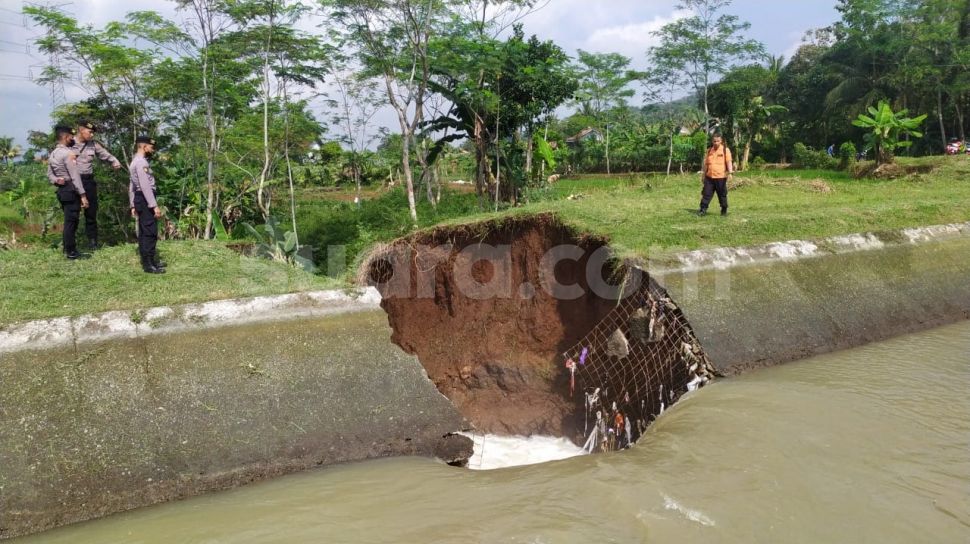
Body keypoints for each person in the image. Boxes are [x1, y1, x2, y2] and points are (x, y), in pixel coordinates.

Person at [73, 120, 122, 249]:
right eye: (90, 132)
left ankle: (93, 242)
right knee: (72, 214)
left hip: (88, 181)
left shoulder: (93, 145)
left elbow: (105, 155)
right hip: (72, 182)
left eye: (93, 132)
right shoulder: (69, 143)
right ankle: (71, 244)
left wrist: (114, 161)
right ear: (81, 129)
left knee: (91, 213)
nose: (92, 135)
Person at [47, 125, 90, 259]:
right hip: (71, 190)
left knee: (68, 220)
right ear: (66, 137)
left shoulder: (53, 153)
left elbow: (49, 174)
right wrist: (83, 195)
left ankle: (67, 247)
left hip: (62, 190)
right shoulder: (68, 153)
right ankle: (71, 251)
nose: (73, 139)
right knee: (72, 221)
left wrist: (56, 180)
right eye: (71, 137)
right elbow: (75, 176)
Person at [129, 135, 165, 274]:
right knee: (150, 232)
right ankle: (148, 264)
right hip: (145, 198)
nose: (153, 150)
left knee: (145, 231)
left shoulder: (135, 162)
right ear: (143, 146)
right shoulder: (141, 163)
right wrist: (154, 205)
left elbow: (131, 186)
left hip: (140, 198)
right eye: (151, 147)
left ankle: (150, 261)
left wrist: (132, 204)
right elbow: (145, 186)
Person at [697, 134, 733, 217]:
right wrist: (703, 174)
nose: (716, 143)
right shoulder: (709, 150)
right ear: (712, 141)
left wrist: (730, 173)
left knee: (722, 195)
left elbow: (729, 162)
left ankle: (724, 210)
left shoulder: (725, 150)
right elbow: (706, 164)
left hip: (721, 177)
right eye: (714, 141)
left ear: (721, 141)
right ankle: (703, 210)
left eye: (718, 141)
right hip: (709, 177)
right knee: (706, 194)